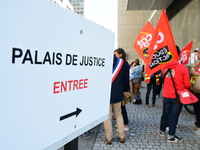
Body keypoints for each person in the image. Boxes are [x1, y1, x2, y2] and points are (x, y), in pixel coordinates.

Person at [157, 46, 190, 142]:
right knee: (174, 115)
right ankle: (171, 136)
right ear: (179, 54)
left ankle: (162, 131)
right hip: (177, 96)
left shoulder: (164, 67)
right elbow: (187, 85)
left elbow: (163, 79)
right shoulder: (183, 68)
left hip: (166, 95)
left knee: (165, 113)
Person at [104, 52, 130, 144]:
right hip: (118, 93)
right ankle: (121, 136)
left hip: (105, 94)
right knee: (119, 114)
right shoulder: (123, 63)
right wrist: (125, 90)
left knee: (107, 117)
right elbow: (126, 78)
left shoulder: (102, 60)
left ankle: (109, 138)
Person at [114, 48, 130, 132]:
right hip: (119, 88)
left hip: (121, 88)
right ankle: (121, 123)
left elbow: (125, 77)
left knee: (122, 107)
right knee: (119, 108)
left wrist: (125, 89)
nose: (115, 56)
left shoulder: (123, 63)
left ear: (120, 54)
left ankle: (125, 124)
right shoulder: (121, 63)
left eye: (116, 54)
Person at [187, 47, 200, 135]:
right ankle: (198, 123)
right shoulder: (198, 63)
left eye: (199, 53)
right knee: (197, 107)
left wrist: (196, 73)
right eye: (197, 53)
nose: (197, 55)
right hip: (196, 89)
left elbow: (196, 73)